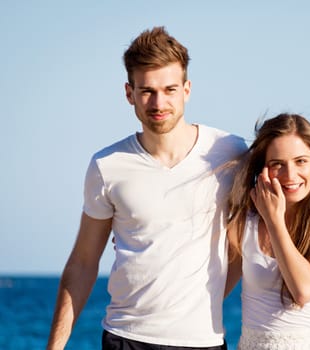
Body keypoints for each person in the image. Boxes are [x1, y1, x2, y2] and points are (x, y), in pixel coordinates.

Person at [47, 26, 247, 349]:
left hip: (203, 341)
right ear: (129, 93)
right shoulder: (107, 165)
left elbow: (268, 230)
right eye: (147, 91)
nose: (158, 102)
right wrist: (54, 346)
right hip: (126, 339)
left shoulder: (231, 153)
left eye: (169, 89)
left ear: (187, 89)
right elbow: (83, 262)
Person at [225, 113, 310, 350]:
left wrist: (274, 221)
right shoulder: (243, 223)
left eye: (301, 161)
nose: (290, 175)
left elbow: (303, 290)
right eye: (277, 164)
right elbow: (213, 292)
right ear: (262, 170)